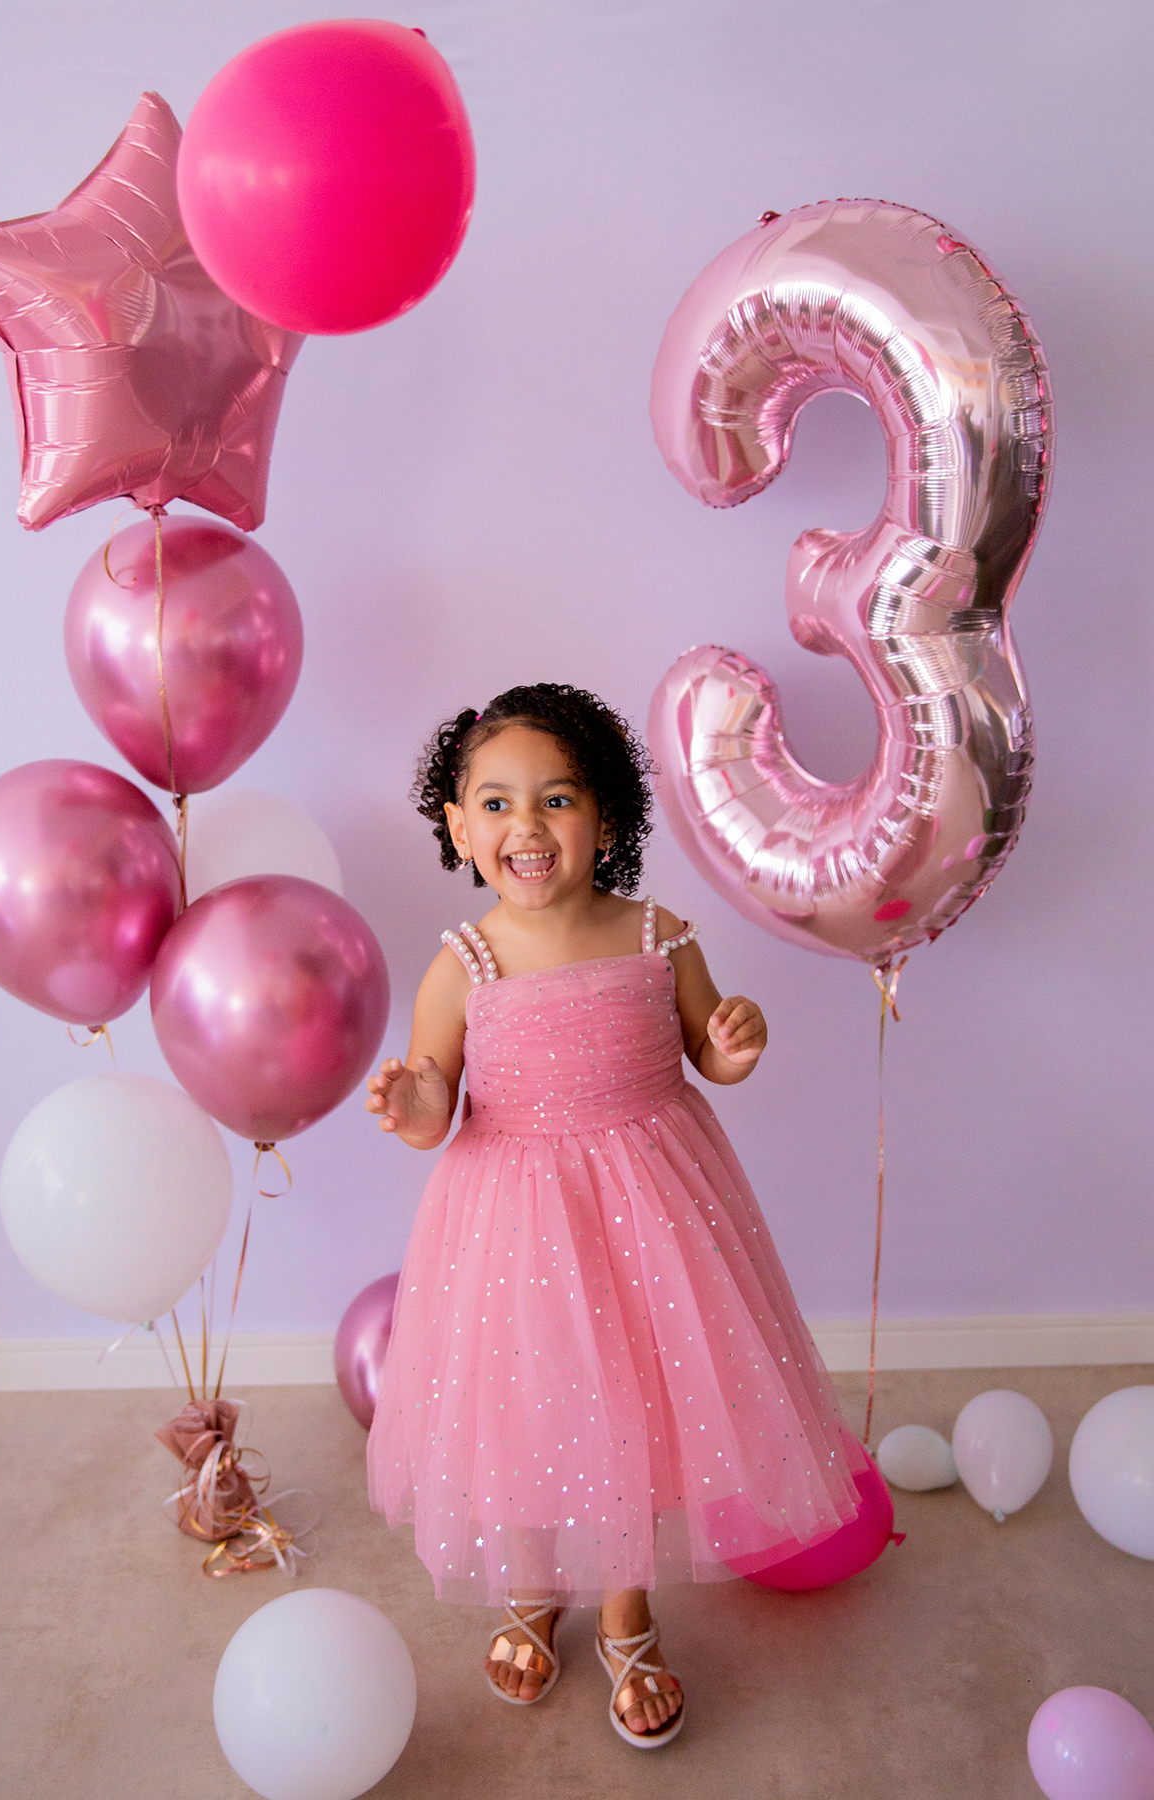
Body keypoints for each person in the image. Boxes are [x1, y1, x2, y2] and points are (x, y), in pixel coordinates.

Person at [365, 683, 868, 1748]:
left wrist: (735, 1040)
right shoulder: (465, 964)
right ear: (458, 828)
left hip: (652, 1214)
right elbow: (434, 1104)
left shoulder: (657, 933)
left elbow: (707, 1055)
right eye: (495, 805)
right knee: (526, 1410)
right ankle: (533, 1591)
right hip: (511, 1224)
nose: (527, 828)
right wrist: (412, 1103)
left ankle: (628, 1616)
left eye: (557, 799)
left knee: (636, 1413)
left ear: (606, 816)